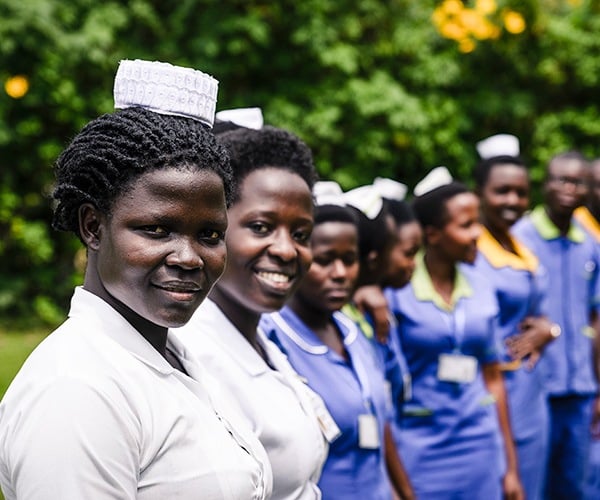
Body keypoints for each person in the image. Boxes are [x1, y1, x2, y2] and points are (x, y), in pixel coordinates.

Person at [0, 59, 272, 500]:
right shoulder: (76, 392)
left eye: (210, 235)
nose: (189, 258)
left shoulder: (172, 355)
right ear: (92, 227)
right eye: (156, 229)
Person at [173, 125, 330, 500]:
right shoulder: (191, 355)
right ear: (213, 226)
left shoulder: (261, 340)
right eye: (261, 227)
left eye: (302, 234)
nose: (287, 250)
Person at [260, 200, 414, 499]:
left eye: (349, 259)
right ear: (299, 258)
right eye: (325, 260)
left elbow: (380, 427)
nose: (340, 273)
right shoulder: (272, 338)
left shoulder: (354, 333)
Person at [385, 173, 524, 499]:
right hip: (418, 447)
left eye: (477, 222)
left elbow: (493, 378)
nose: (477, 233)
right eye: (465, 225)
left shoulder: (483, 286)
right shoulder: (396, 292)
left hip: (479, 443)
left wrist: (511, 467)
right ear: (432, 234)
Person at [473, 134, 557, 500]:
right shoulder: (472, 250)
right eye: (502, 191)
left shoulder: (520, 244)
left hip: (532, 390)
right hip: (497, 387)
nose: (513, 201)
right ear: (479, 194)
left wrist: (548, 330)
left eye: (521, 193)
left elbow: (539, 314)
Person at [512, 151, 600, 499]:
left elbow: (596, 315)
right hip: (534, 388)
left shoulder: (589, 243)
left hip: (580, 389)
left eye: (578, 182)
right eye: (561, 180)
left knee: (574, 487)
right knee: (532, 485)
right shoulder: (520, 238)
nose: (569, 189)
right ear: (544, 185)